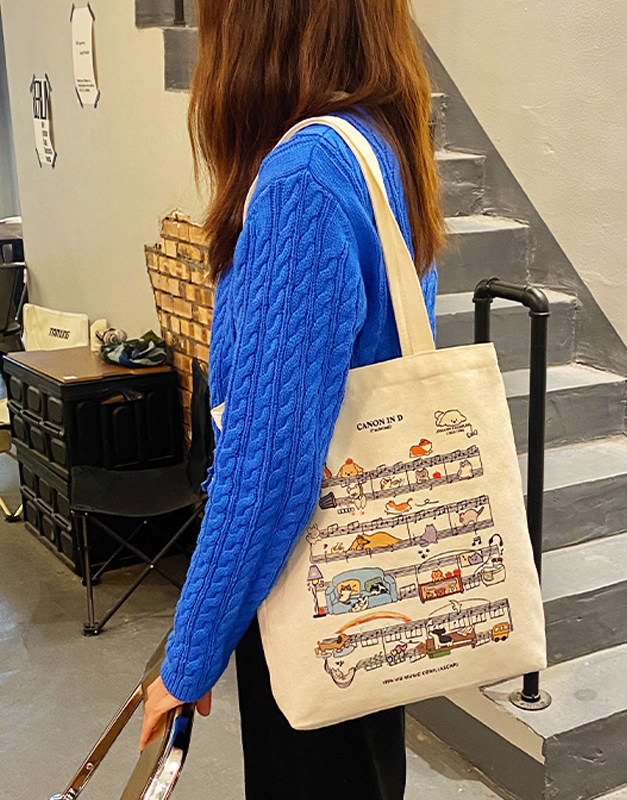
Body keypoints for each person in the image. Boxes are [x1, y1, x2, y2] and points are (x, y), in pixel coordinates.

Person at [138, 1, 445, 797]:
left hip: (310, 584)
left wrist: (189, 657)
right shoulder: (381, 145)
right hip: (373, 568)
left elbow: (269, 468)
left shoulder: (302, 180)